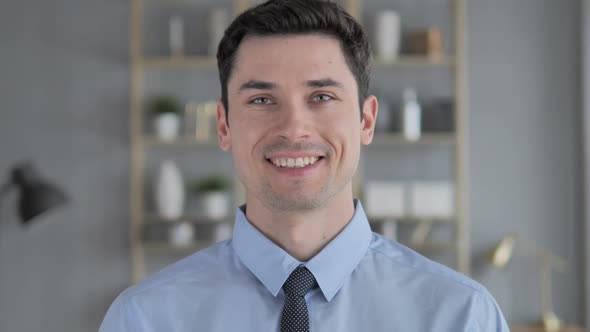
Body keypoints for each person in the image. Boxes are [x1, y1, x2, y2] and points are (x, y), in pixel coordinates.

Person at [100, 0, 510, 331]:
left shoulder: (461, 317)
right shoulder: (144, 319)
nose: (293, 128)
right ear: (224, 126)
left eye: (322, 97)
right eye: (261, 100)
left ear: (366, 120)